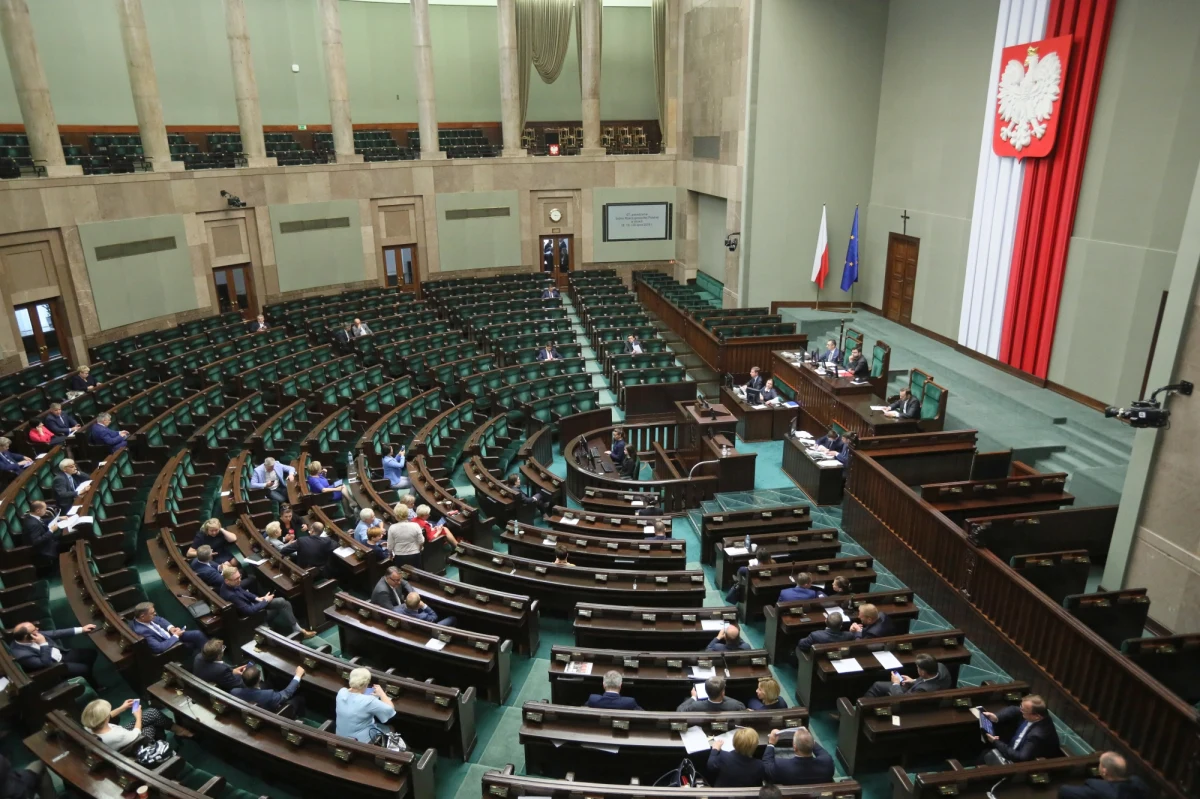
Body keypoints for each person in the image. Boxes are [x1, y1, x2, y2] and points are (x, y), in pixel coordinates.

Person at [219, 566, 316, 639]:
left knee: (282, 602)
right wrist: (265, 601)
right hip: (253, 618)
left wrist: (259, 598)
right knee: (272, 635)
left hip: (256, 605)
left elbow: (244, 592)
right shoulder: (230, 595)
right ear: (227, 581)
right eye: (237, 579)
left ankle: (298, 630)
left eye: (239, 577)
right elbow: (249, 611)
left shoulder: (231, 584)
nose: (239, 580)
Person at [81, 698, 183, 754]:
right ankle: (162, 749)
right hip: (133, 744)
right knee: (151, 726)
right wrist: (138, 716)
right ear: (104, 719)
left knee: (152, 713)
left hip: (124, 737)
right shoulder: (117, 735)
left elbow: (106, 716)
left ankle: (177, 730)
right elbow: (136, 734)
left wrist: (122, 708)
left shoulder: (89, 725)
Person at [981, 695, 1061, 764]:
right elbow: (1013, 709)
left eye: (1023, 710)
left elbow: (1021, 758)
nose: (1020, 710)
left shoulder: (1037, 735)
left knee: (984, 757)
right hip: (1012, 748)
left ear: (1036, 716)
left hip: (1021, 763)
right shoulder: (1038, 714)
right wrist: (996, 717)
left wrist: (996, 742)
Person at [9, 621, 98, 680]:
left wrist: (81, 629)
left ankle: (86, 674)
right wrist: (43, 643)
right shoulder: (22, 655)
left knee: (91, 654)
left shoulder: (33, 635)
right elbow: (46, 664)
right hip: (55, 666)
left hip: (62, 654)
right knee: (85, 669)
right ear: (26, 637)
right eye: (34, 630)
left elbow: (55, 633)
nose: (37, 629)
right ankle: (93, 684)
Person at [129, 602, 207, 660]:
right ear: (142, 616)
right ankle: (209, 658)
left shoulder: (144, 619)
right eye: (152, 613)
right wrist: (175, 636)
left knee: (197, 634)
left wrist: (171, 628)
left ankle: (211, 652)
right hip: (170, 645)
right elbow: (158, 648)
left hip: (171, 635)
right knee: (194, 648)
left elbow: (160, 619)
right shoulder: (142, 632)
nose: (155, 614)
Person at [336, 667, 396, 743]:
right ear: (366, 683)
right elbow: (390, 710)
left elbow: (353, 693)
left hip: (340, 736)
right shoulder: (369, 701)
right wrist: (381, 693)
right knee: (390, 728)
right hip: (360, 742)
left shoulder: (341, 692)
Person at [1059, 752, 1149, 799]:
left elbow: (1064, 790)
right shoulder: (1138, 784)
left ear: (1104, 771)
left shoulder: (1097, 788)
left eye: (1100, 764)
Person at [762, 727, 834, 785]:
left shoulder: (781, 766)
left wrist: (771, 743)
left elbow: (766, 766)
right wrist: (807, 737)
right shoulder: (827, 763)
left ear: (795, 747)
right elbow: (820, 751)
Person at [863, 653, 951, 698]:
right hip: (915, 687)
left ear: (923, 672)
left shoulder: (922, 690)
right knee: (878, 685)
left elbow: (902, 699)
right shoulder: (940, 666)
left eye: (917, 668)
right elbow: (928, 680)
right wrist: (913, 681)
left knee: (877, 686)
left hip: (910, 698)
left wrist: (896, 683)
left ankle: (865, 706)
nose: (917, 669)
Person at [233, 664, 304, 715]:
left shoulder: (234, 692)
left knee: (268, 683)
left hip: (251, 710)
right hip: (269, 714)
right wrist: (298, 675)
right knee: (299, 698)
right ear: (259, 678)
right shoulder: (269, 695)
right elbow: (286, 693)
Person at [21, 501, 60, 568]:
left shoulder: (31, 516)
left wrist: (59, 518)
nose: (46, 511)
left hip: (45, 541)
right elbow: (36, 541)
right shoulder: (33, 524)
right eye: (45, 509)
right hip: (42, 550)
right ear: (38, 511)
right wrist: (51, 531)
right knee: (64, 541)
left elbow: (42, 521)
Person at [677, 676, 746, 712]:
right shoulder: (735, 705)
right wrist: (721, 695)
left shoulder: (696, 706)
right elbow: (743, 708)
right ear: (723, 693)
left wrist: (693, 697)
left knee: (686, 698)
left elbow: (680, 710)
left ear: (706, 692)